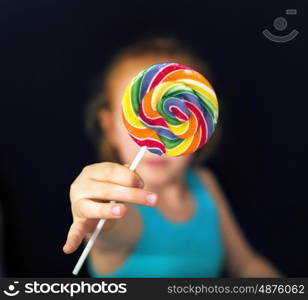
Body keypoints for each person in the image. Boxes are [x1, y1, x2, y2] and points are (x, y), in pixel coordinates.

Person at [62, 37, 281, 277]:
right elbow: (110, 232)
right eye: (141, 114)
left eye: (177, 115)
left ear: (201, 125)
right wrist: (96, 217)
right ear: (110, 127)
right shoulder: (121, 198)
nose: (160, 134)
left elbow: (245, 264)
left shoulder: (205, 183)